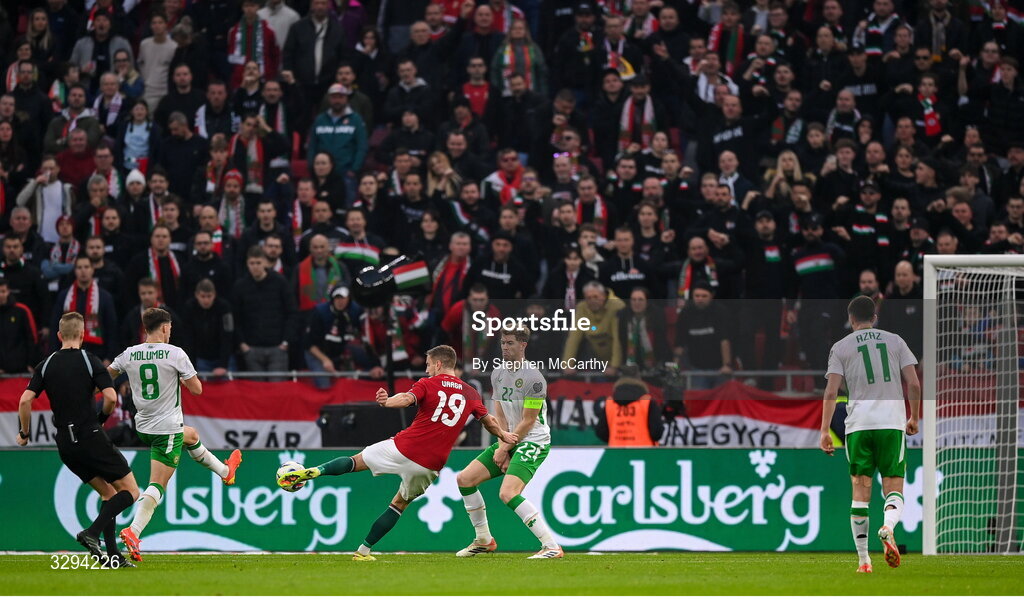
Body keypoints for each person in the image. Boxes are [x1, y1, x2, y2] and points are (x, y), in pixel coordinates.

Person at [277, 344, 518, 561]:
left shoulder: (428, 384)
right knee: (398, 505)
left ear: (438, 364)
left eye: (428, 365)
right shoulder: (471, 393)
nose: (426, 370)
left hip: (404, 447)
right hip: (431, 464)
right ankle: (363, 551)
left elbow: (406, 398)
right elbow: (488, 420)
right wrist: (504, 436)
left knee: (354, 461)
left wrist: (386, 401)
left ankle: (312, 472)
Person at [109, 307, 243, 562]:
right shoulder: (175, 354)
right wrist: (181, 378)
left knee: (191, 435)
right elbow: (197, 390)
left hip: (144, 426)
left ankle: (226, 472)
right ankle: (133, 531)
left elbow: (107, 377)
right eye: (169, 327)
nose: (171, 331)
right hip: (166, 429)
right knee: (158, 484)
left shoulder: (129, 354)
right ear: (163, 327)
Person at [17, 311, 139, 565]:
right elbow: (111, 398)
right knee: (131, 491)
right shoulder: (89, 360)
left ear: (60, 335)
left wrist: (24, 433)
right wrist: (102, 420)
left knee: (107, 493)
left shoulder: (46, 364)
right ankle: (91, 533)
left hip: (65, 444)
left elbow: (25, 400)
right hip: (89, 436)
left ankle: (113, 556)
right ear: (83, 335)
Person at [819, 295, 921, 573]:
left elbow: (830, 392)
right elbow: (913, 383)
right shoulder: (895, 340)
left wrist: (825, 430)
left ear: (851, 319)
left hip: (859, 424)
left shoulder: (840, 347)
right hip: (891, 422)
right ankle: (887, 527)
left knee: (860, 490)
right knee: (893, 486)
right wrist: (913, 416)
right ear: (874, 317)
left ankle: (864, 561)